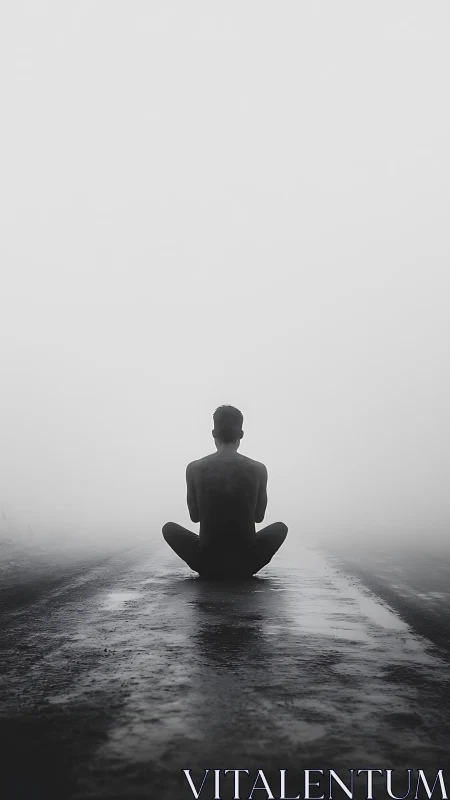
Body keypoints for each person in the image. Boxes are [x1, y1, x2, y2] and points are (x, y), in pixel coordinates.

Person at [162, 405, 288, 578]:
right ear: (241, 434)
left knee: (169, 528)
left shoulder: (194, 468)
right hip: (246, 563)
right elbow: (258, 517)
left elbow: (195, 517)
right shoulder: (258, 469)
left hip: (207, 562)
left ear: (213, 433)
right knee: (280, 528)